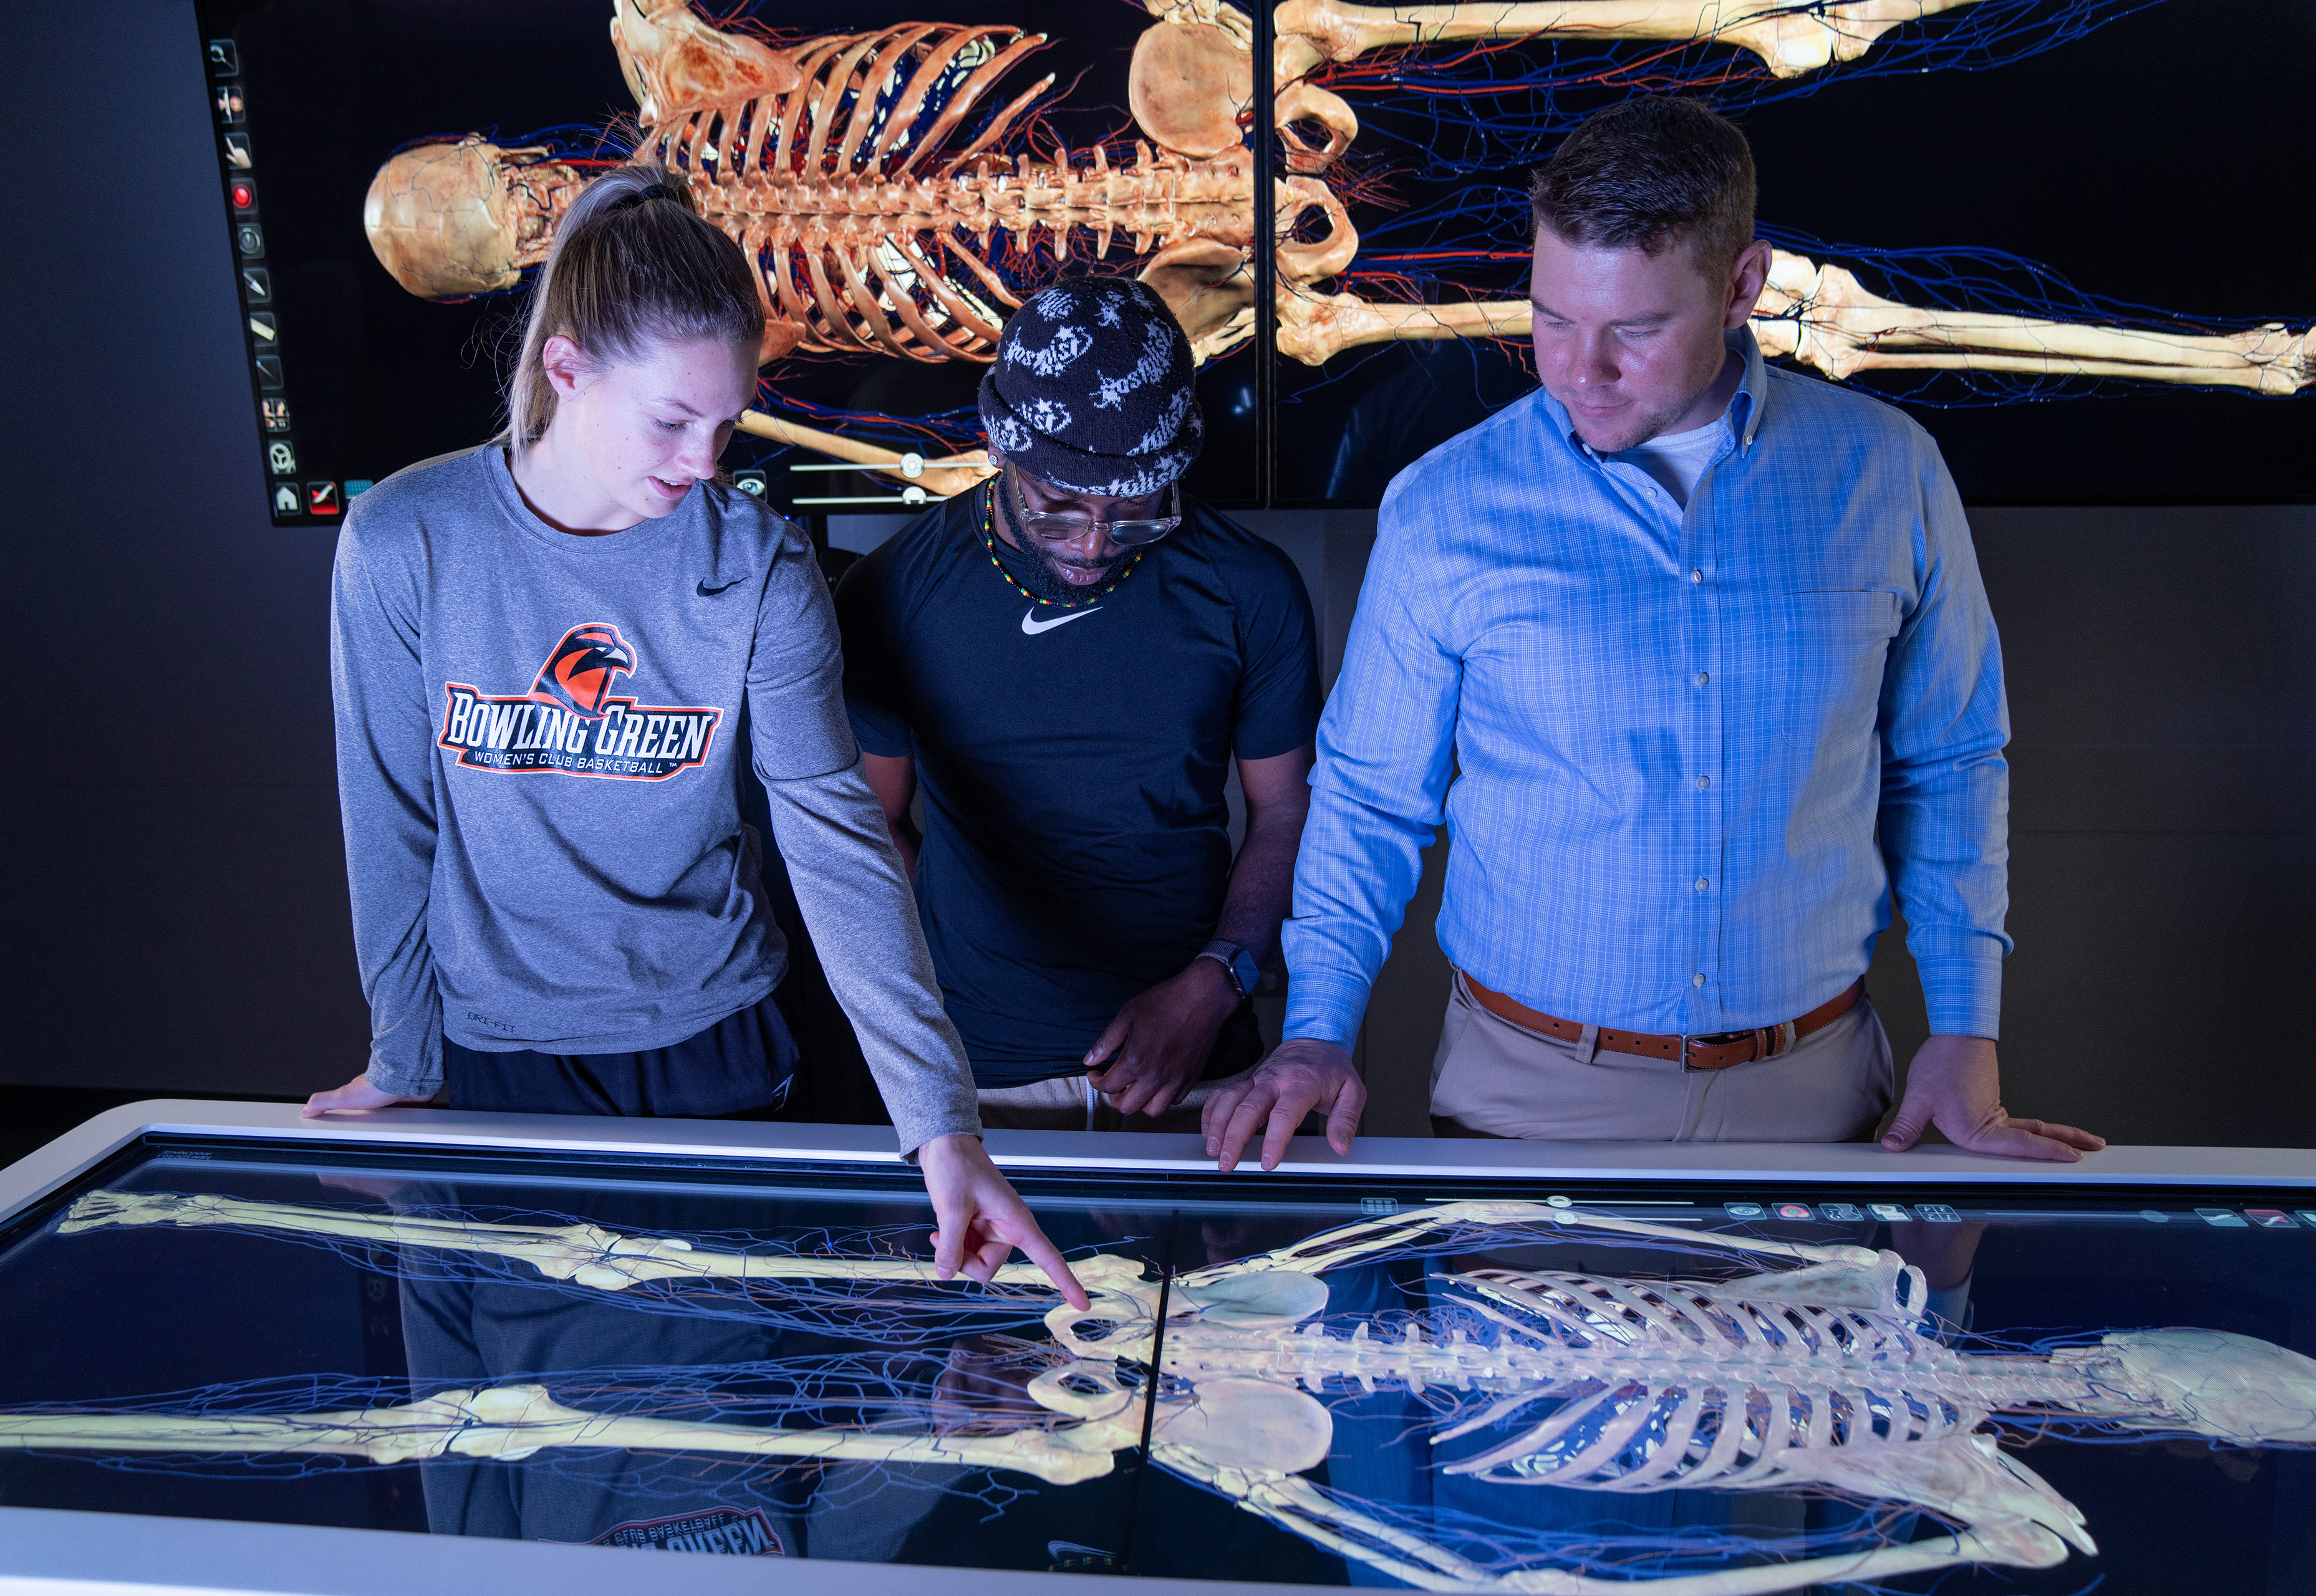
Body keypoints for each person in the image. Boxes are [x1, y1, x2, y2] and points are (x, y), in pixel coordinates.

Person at [1205, 96, 2105, 1171]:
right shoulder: (1447, 505)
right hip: (1525, 1103)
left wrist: (1966, 1029)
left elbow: (1951, 761)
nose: (1579, 370)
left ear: (1741, 285)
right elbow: (1367, 799)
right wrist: (1315, 1033)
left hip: (1816, 1097)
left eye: (1634, 330)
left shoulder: (1890, 472)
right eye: (1549, 318)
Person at [301, 165, 1084, 1306]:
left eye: (727, 424)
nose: (705, 465)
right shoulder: (405, 539)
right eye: (673, 419)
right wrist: (405, 1062)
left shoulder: (758, 568)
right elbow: (390, 821)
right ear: (566, 369)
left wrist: (942, 1127)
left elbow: (836, 841)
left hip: (717, 1051)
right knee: (531, 1435)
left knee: (720, 1433)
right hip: (500, 1063)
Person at [835, 276, 1320, 1132]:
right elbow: (870, 826)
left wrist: (1219, 979)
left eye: (1135, 513)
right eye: (1059, 511)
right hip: (973, 1078)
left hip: (1201, 1073)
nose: (1095, 545)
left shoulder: (1251, 590)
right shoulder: (894, 592)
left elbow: (1285, 814)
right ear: (1000, 451)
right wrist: (960, 963)